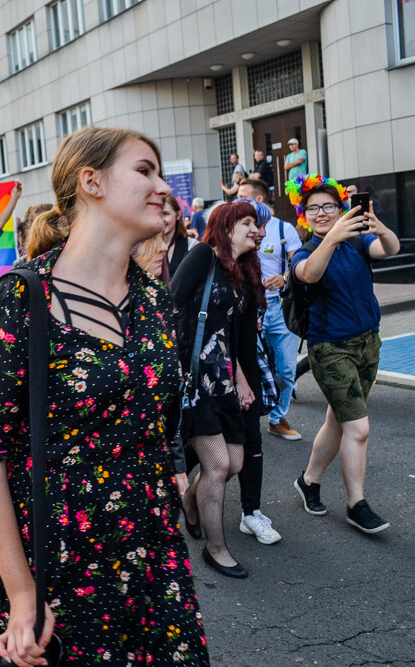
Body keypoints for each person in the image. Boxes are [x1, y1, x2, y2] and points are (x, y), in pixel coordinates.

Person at [0, 127, 208, 666]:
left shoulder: (154, 304)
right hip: (61, 566)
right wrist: (23, 595)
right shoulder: (22, 298)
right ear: (91, 181)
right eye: (144, 170)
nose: (162, 186)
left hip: (152, 558)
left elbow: (157, 427)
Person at [286, 174, 400, 535]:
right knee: (358, 427)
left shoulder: (357, 243)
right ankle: (356, 504)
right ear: (305, 215)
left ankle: (309, 481)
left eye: (329, 206)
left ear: (340, 209)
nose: (321, 213)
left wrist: (378, 227)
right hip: (330, 349)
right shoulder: (305, 252)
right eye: (313, 208)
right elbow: (309, 275)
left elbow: (390, 249)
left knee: (337, 420)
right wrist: (331, 238)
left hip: (368, 344)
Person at [172, 201, 262, 579]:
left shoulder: (240, 270)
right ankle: (216, 548)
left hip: (224, 380)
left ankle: (193, 500)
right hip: (196, 382)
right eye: (247, 222)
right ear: (226, 227)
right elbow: (167, 308)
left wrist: (241, 380)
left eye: (257, 224)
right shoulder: (203, 255)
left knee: (235, 464)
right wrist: (173, 369)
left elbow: (227, 334)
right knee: (219, 464)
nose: (256, 229)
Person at [238, 178, 302, 442]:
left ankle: (277, 418)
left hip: (280, 308)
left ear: (259, 200)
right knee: (247, 368)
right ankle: (248, 420)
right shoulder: (238, 229)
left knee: (287, 370)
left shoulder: (285, 229)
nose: (236, 202)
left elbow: (302, 267)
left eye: (243, 197)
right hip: (248, 310)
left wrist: (285, 278)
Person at [161, 194, 192, 281]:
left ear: (178, 215)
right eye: (159, 214)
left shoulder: (191, 245)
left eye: (165, 214)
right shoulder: (146, 245)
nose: (161, 219)